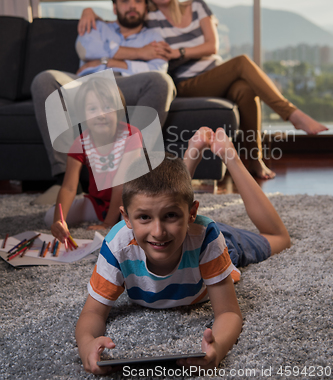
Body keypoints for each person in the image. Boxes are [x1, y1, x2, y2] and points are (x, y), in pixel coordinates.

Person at [75, 127, 290, 375]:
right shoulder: (117, 245)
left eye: (170, 216)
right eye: (144, 217)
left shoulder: (208, 238)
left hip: (209, 245)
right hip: (184, 230)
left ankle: (230, 155)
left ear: (192, 213)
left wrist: (217, 349)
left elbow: (229, 312)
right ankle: (192, 154)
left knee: (280, 239)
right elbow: (91, 313)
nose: (157, 231)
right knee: (168, 199)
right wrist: (87, 345)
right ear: (126, 219)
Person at [79, 0, 328, 180]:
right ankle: (291, 114)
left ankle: (255, 160)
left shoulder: (196, 6)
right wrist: (90, 11)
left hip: (215, 74)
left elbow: (212, 46)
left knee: (245, 89)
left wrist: (179, 51)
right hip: (187, 82)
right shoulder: (152, 19)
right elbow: (123, 20)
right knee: (241, 62)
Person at [31, 0, 176, 205]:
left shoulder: (154, 37)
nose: (132, 5)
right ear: (115, 6)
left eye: (138, 0)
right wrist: (139, 53)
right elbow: (87, 51)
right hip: (87, 86)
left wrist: (105, 59)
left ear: (145, 5)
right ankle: (65, 181)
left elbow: (157, 67)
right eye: (125, 0)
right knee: (44, 79)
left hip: (126, 86)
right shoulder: (96, 26)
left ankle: (133, 177)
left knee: (162, 81)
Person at [44, 77, 143, 238]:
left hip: (128, 201)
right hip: (98, 203)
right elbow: (69, 188)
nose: (101, 115)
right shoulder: (80, 143)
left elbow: (121, 185)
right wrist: (58, 222)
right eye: (92, 109)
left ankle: (114, 220)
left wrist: (107, 224)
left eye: (107, 107)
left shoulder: (132, 135)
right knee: (50, 217)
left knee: (138, 221)